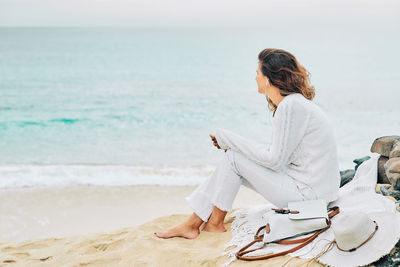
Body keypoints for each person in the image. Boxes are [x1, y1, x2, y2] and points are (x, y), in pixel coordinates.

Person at [155, 48, 341, 239]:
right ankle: (209, 224)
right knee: (234, 161)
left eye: (257, 73)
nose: (255, 78)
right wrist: (231, 143)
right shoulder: (295, 104)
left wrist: (230, 141)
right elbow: (278, 157)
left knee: (234, 158)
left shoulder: (290, 106)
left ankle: (198, 224)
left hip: (308, 197)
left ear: (268, 79)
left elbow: (275, 160)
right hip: (315, 192)